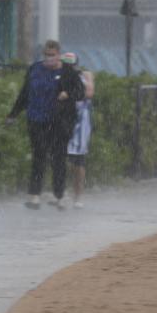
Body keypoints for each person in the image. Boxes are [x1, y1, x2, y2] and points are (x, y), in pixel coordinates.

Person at [7, 40, 85, 211]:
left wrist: (68, 93)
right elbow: (24, 93)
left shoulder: (67, 72)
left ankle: (59, 195)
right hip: (36, 119)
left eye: (52, 55)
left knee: (58, 159)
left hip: (59, 121)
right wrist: (13, 114)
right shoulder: (35, 69)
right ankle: (34, 195)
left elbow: (80, 92)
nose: (49, 58)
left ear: (59, 55)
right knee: (39, 155)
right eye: (46, 55)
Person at [63, 52, 94, 209]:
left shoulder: (84, 76)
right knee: (62, 158)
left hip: (81, 124)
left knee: (78, 161)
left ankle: (78, 196)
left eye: (71, 65)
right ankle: (63, 192)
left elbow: (88, 93)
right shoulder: (60, 77)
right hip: (64, 121)